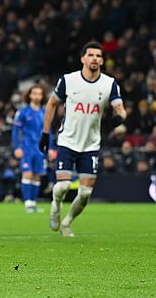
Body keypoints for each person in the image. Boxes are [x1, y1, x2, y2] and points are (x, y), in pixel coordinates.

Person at [39, 41, 126, 237]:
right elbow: (52, 104)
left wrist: (119, 116)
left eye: (98, 56)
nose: (95, 58)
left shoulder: (109, 84)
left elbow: (120, 107)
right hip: (67, 140)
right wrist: (45, 133)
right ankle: (55, 206)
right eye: (91, 55)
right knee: (62, 186)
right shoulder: (68, 81)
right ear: (83, 58)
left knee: (85, 193)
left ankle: (67, 222)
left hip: (90, 144)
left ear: (102, 61)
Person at [12, 84, 55, 213]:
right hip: (26, 148)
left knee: (37, 175)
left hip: (40, 149)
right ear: (30, 95)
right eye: (34, 93)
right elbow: (15, 131)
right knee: (27, 173)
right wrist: (16, 147)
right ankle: (28, 203)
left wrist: (51, 148)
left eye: (39, 94)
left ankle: (33, 203)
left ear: (42, 96)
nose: (37, 96)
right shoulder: (23, 112)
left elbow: (49, 132)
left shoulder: (45, 112)